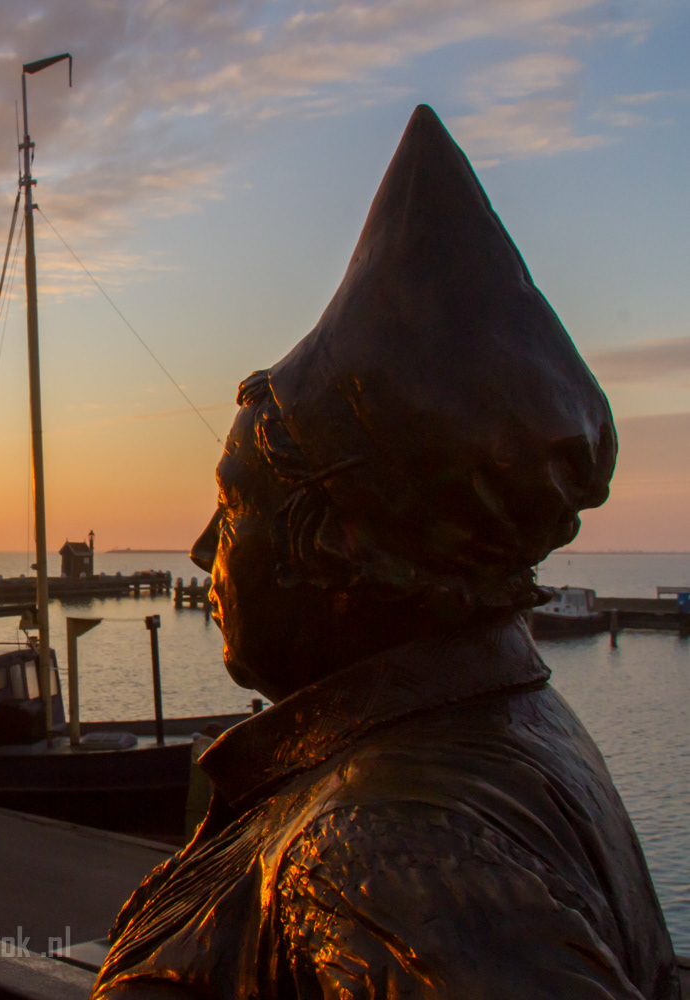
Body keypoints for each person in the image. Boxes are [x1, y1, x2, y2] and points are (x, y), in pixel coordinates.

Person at [94, 105, 678, 999]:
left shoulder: (377, 856)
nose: (203, 546)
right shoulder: (511, 725)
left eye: (232, 504)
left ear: (333, 542)